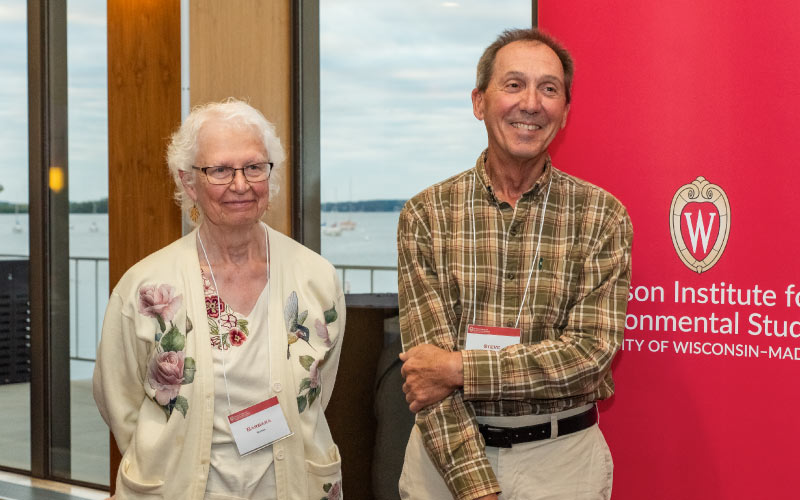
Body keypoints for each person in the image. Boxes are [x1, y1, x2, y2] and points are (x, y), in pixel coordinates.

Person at [397, 28, 633, 500]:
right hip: (442, 458)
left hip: (563, 465)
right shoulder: (426, 214)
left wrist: (460, 368)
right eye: (513, 84)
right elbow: (426, 376)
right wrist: (477, 489)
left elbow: (589, 357)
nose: (531, 103)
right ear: (479, 102)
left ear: (565, 111)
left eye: (549, 89)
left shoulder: (603, 216)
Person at [94, 99, 345, 500]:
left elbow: (318, 392)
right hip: (178, 487)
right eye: (220, 170)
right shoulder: (145, 287)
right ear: (188, 182)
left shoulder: (317, 278)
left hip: (294, 486)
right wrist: (163, 454)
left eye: (254, 167)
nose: (241, 184)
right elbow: (117, 396)